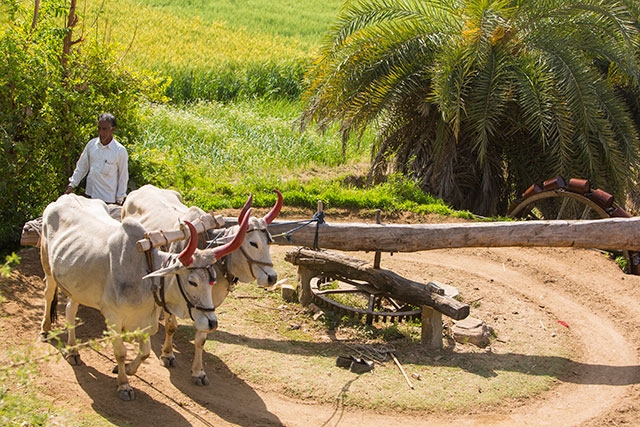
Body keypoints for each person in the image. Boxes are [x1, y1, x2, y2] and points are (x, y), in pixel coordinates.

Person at [64, 113, 129, 205]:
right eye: (99, 128)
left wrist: (120, 199)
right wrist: (72, 185)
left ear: (112, 129)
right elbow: (82, 167)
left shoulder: (119, 151)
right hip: (90, 196)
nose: (101, 132)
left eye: (105, 129)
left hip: (108, 200)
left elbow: (123, 176)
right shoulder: (91, 145)